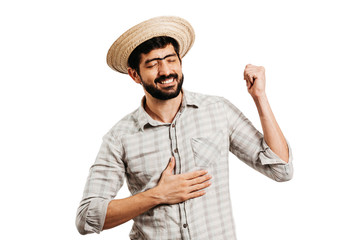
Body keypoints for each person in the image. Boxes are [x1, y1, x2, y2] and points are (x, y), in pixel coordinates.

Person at [76, 16, 293, 240]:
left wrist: (259, 97)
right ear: (134, 75)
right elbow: (87, 218)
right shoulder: (119, 137)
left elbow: (281, 169)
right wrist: (157, 195)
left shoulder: (218, 110)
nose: (165, 71)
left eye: (171, 60)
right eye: (152, 64)